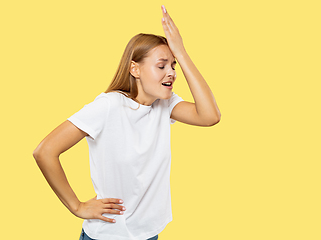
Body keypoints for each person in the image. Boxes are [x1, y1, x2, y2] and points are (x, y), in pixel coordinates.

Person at [33, 5, 221, 240]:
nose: (171, 72)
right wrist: (76, 206)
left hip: (149, 234)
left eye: (174, 66)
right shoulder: (109, 106)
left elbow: (210, 116)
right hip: (108, 236)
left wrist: (181, 53)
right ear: (135, 69)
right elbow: (45, 151)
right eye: (161, 65)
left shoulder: (165, 105)